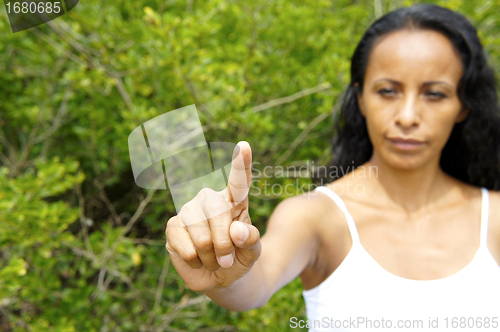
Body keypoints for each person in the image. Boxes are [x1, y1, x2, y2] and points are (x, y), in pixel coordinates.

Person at [165, 4, 500, 331]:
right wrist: (224, 266)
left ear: (463, 106)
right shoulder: (315, 217)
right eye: (387, 91)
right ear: (361, 98)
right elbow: (257, 279)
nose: (407, 116)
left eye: (435, 95)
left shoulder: (495, 218)